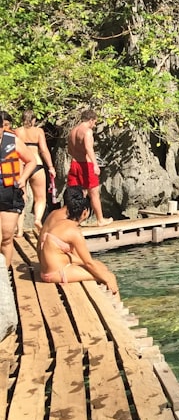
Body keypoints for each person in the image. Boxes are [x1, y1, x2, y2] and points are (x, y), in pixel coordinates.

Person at [38, 186, 118, 295]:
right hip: (55, 273)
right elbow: (88, 263)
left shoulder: (59, 222)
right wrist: (107, 279)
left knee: (100, 267)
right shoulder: (74, 232)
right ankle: (113, 309)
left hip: (49, 269)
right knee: (108, 276)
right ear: (85, 212)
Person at [67, 109, 113, 226]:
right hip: (85, 164)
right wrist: (95, 165)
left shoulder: (73, 131)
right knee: (94, 193)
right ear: (91, 120)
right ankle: (100, 220)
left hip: (74, 163)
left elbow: (70, 150)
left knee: (76, 193)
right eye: (95, 122)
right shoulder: (87, 132)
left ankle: (76, 219)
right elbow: (89, 148)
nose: (95, 125)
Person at [1, 111, 34, 268]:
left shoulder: (13, 141)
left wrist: (23, 179)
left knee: (7, 237)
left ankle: (4, 278)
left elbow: (31, 161)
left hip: (10, 192)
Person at [15, 110, 56, 236]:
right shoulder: (38, 131)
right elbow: (43, 150)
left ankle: (20, 230)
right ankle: (37, 220)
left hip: (22, 165)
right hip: (37, 164)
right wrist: (50, 166)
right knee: (40, 197)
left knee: (21, 197)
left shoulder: (17, 131)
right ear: (33, 120)